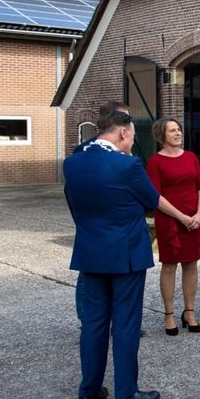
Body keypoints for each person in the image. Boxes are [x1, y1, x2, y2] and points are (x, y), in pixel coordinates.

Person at [65, 111, 188, 399]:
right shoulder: (126, 164)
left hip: (91, 251)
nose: (132, 142)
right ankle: (126, 394)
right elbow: (149, 200)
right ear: (122, 133)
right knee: (125, 323)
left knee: (93, 323)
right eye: (132, 136)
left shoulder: (73, 162)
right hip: (126, 254)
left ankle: (88, 392)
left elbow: (74, 203)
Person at [146, 117, 200, 335]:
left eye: (179, 129)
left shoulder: (191, 157)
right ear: (161, 136)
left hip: (194, 220)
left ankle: (189, 311)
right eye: (172, 130)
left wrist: (199, 214)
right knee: (170, 265)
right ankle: (169, 314)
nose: (178, 133)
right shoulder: (155, 161)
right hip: (170, 220)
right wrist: (181, 217)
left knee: (191, 264)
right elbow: (156, 196)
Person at [73, 100, 129, 325]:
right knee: (90, 275)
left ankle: (116, 320)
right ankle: (87, 320)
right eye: (125, 118)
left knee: (118, 277)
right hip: (96, 225)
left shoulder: (126, 150)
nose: (130, 123)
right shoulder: (86, 150)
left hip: (120, 228)